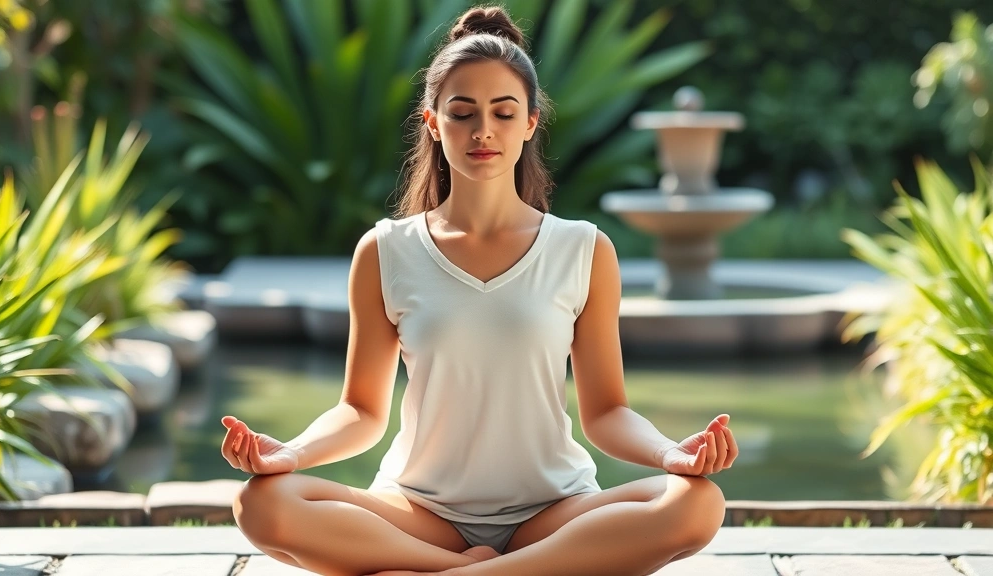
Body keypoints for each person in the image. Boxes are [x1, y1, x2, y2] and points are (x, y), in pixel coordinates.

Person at [220, 5, 737, 575]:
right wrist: (287, 453)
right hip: (418, 510)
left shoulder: (584, 250)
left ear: (531, 123)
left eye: (503, 112)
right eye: (462, 113)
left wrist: (672, 453)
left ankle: (454, 573)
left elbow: (608, 411)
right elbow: (361, 411)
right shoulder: (386, 250)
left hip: (554, 510)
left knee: (696, 503)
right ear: (433, 122)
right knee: (261, 502)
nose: (483, 131)